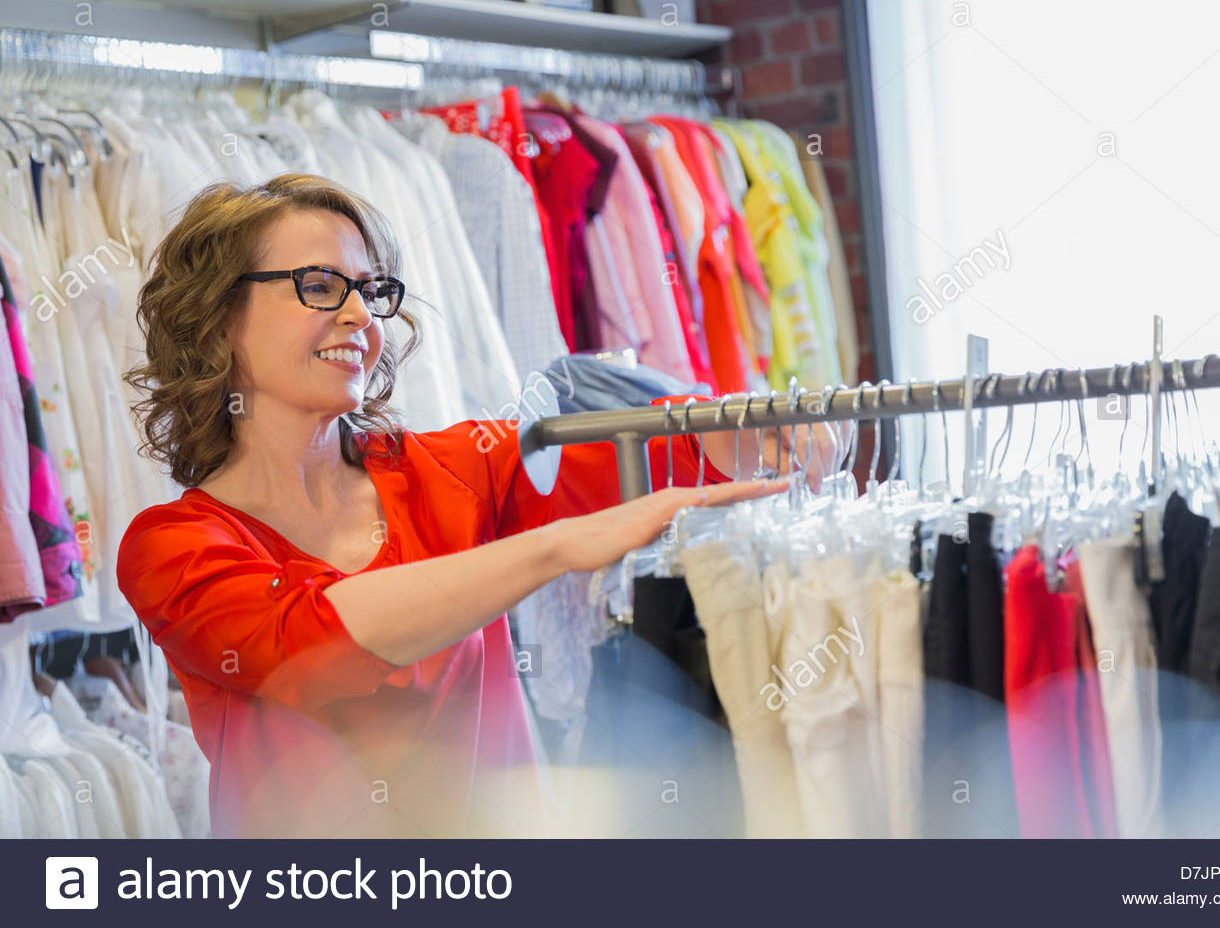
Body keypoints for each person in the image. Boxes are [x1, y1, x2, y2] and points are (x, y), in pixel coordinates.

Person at [117, 173, 846, 837]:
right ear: (216, 319)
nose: (359, 317)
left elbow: (652, 453)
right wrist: (551, 550)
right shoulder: (172, 547)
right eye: (318, 285)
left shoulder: (448, 470)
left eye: (369, 292)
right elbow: (307, 645)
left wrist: (752, 433)